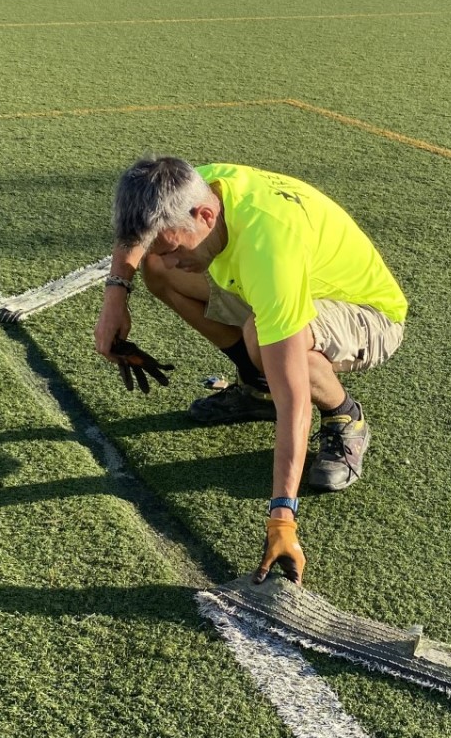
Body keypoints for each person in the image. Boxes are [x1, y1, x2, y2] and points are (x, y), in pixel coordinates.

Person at [94, 157, 408, 585]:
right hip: (285, 288)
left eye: (173, 246)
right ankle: (256, 388)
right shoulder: (192, 188)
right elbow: (139, 238)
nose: (171, 256)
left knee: (264, 337)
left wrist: (282, 521)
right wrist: (116, 299)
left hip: (367, 314)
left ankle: (345, 415)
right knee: (156, 270)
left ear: (205, 216)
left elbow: (295, 399)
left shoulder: (269, 248)